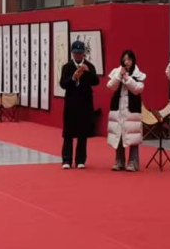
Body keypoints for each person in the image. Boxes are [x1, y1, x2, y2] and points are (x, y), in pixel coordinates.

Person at [58, 40, 100, 169]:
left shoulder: (89, 66)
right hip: (71, 103)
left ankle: (80, 160)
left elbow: (96, 82)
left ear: (83, 53)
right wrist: (73, 78)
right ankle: (67, 160)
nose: (78, 55)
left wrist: (88, 72)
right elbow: (62, 84)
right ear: (72, 53)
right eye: (76, 53)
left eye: (80, 53)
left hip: (85, 104)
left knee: (83, 132)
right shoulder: (67, 67)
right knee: (68, 133)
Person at [107, 50, 148, 172]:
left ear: (133, 60)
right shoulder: (117, 72)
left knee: (133, 135)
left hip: (132, 109)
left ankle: (133, 162)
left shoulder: (138, 74)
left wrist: (127, 78)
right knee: (119, 135)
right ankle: (119, 161)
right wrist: (119, 76)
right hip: (118, 108)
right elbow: (111, 86)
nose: (127, 62)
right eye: (124, 59)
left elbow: (138, 89)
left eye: (129, 59)